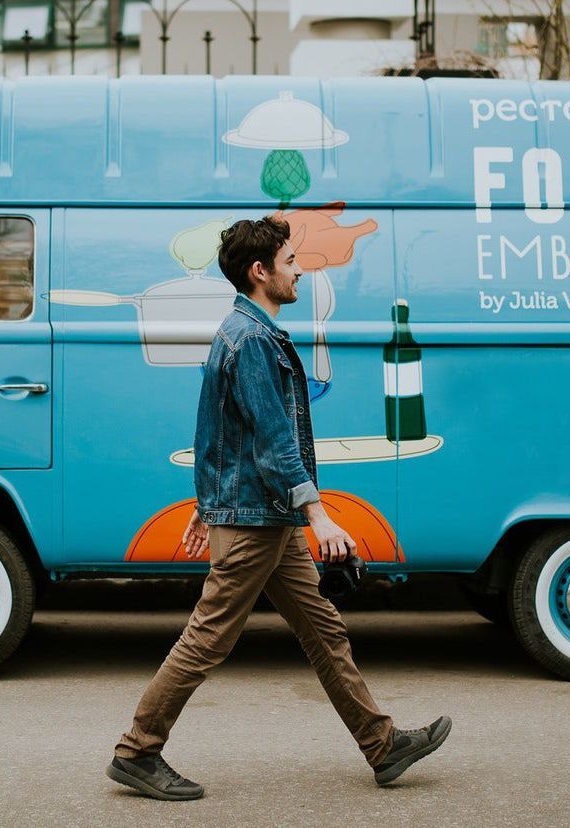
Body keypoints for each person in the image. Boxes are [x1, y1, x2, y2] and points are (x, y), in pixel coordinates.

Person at [105, 216, 452, 801]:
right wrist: (318, 514)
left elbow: (219, 428)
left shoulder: (247, 333)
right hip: (258, 521)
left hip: (262, 514)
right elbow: (270, 438)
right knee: (207, 638)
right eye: (290, 263)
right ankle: (137, 751)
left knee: (323, 629)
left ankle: (382, 743)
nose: (299, 271)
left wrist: (205, 501)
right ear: (259, 271)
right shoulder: (252, 340)